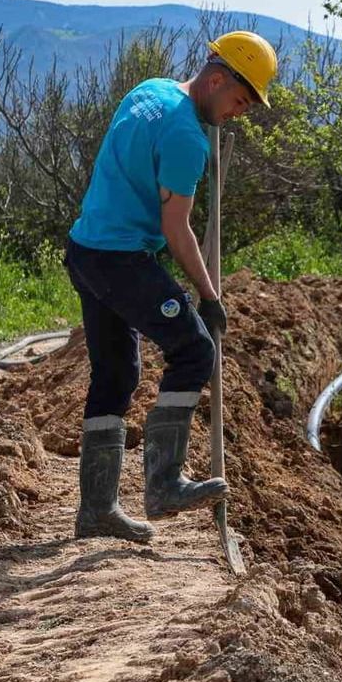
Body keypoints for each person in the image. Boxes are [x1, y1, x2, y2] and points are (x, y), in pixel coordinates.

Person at [63, 31, 278, 542]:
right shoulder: (187, 137)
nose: (239, 114)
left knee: (116, 375)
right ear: (218, 78)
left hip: (86, 247)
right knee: (193, 349)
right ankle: (163, 484)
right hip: (119, 257)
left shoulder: (151, 91)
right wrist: (208, 296)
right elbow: (176, 229)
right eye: (240, 101)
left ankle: (96, 511)